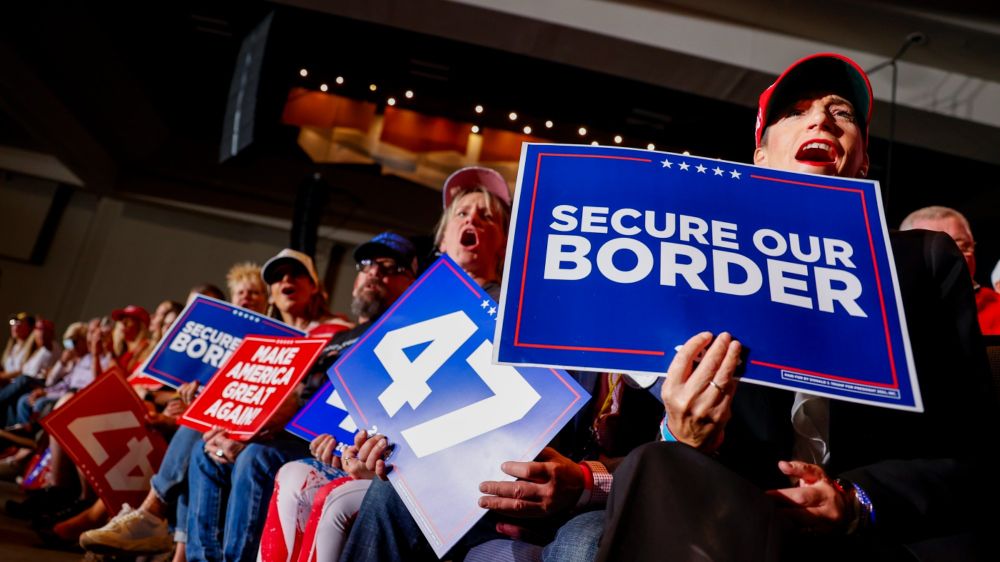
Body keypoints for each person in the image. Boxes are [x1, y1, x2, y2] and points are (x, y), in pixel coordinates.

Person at [596, 53, 995, 562]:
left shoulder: (923, 261)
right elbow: (634, 450)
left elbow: (970, 449)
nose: (822, 119)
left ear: (863, 159)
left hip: (874, 535)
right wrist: (683, 434)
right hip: (730, 520)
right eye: (797, 111)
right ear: (760, 157)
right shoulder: (696, 259)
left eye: (842, 113)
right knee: (653, 462)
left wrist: (858, 500)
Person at [79, 263, 272, 559]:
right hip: (210, 424)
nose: (247, 298)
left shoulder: (275, 341)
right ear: (232, 300)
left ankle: (150, 515)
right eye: (241, 292)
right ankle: (172, 545)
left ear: (267, 299)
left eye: (255, 293)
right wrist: (192, 396)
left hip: (250, 429)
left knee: (195, 430)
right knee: (196, 439)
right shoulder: (220, 343)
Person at [257, 232, 418, 562]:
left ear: (414, 281)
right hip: (321, 446)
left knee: (317, 490)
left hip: (386, 467)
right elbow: (313, 408)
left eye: (389, 267)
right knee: (281, 469)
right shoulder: (336, 339)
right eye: (367, 265)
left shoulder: (410, 332)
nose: (374, 272)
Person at [183, 248, 353, 562]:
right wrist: (223, 427)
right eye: (276, 276)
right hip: (258, 434)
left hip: (302, 440)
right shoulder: (259, 339)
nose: (286, 279)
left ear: (314, 285)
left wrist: (245, 435)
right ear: (271, 294)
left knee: (255, 457)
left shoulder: (340, 334)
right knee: (203, 452)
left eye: (296, 273)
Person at [900, 206, 1000, 335]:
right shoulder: (886, 312)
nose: (958, 256)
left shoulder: (996, 308)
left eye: (963, 246)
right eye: (939, 249)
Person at [1, 312, 38, 381]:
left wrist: (2, 376)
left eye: (20, 323)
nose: (15, 326)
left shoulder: (33, 348)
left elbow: (24, 371)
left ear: (30, 327)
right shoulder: (12, 347)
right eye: (13, 323)